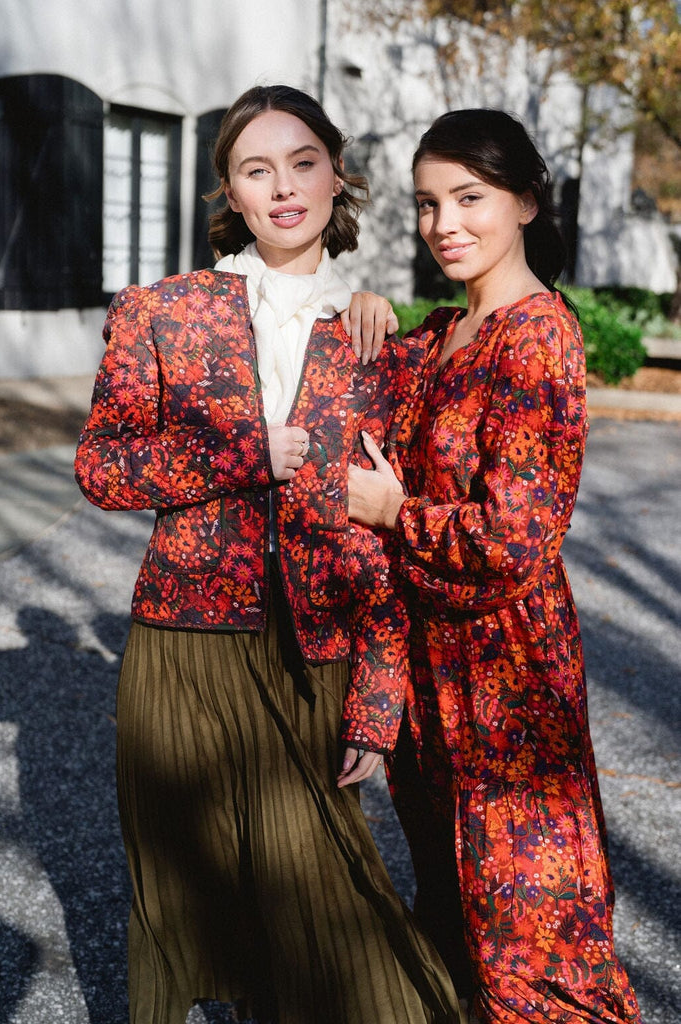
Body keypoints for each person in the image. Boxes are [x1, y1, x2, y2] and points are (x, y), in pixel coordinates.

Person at [74, 85, 460, 1024]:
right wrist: (241, 449)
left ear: (338, 175)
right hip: (185, 647)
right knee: (184, 905)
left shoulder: (381, 342)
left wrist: (376, 699)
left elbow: (383, 538)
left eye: (302, 163)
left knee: (324, 915)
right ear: (230, 195)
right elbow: (101, 467)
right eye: (257, 170)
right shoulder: (159, 312)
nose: (283, 188)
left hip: (316, 655)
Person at [347, 108, 643, 1023]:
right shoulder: (437, 335)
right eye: (428, 203)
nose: (444, 224)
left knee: (535, 931)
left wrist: (397, 512)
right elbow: (329, 383)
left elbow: (517, 536)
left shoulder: (535, 336)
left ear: (523, 200)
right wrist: (350, 301)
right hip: (429, 665)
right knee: (453, 905)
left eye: (468, 198)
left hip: (510, 672)